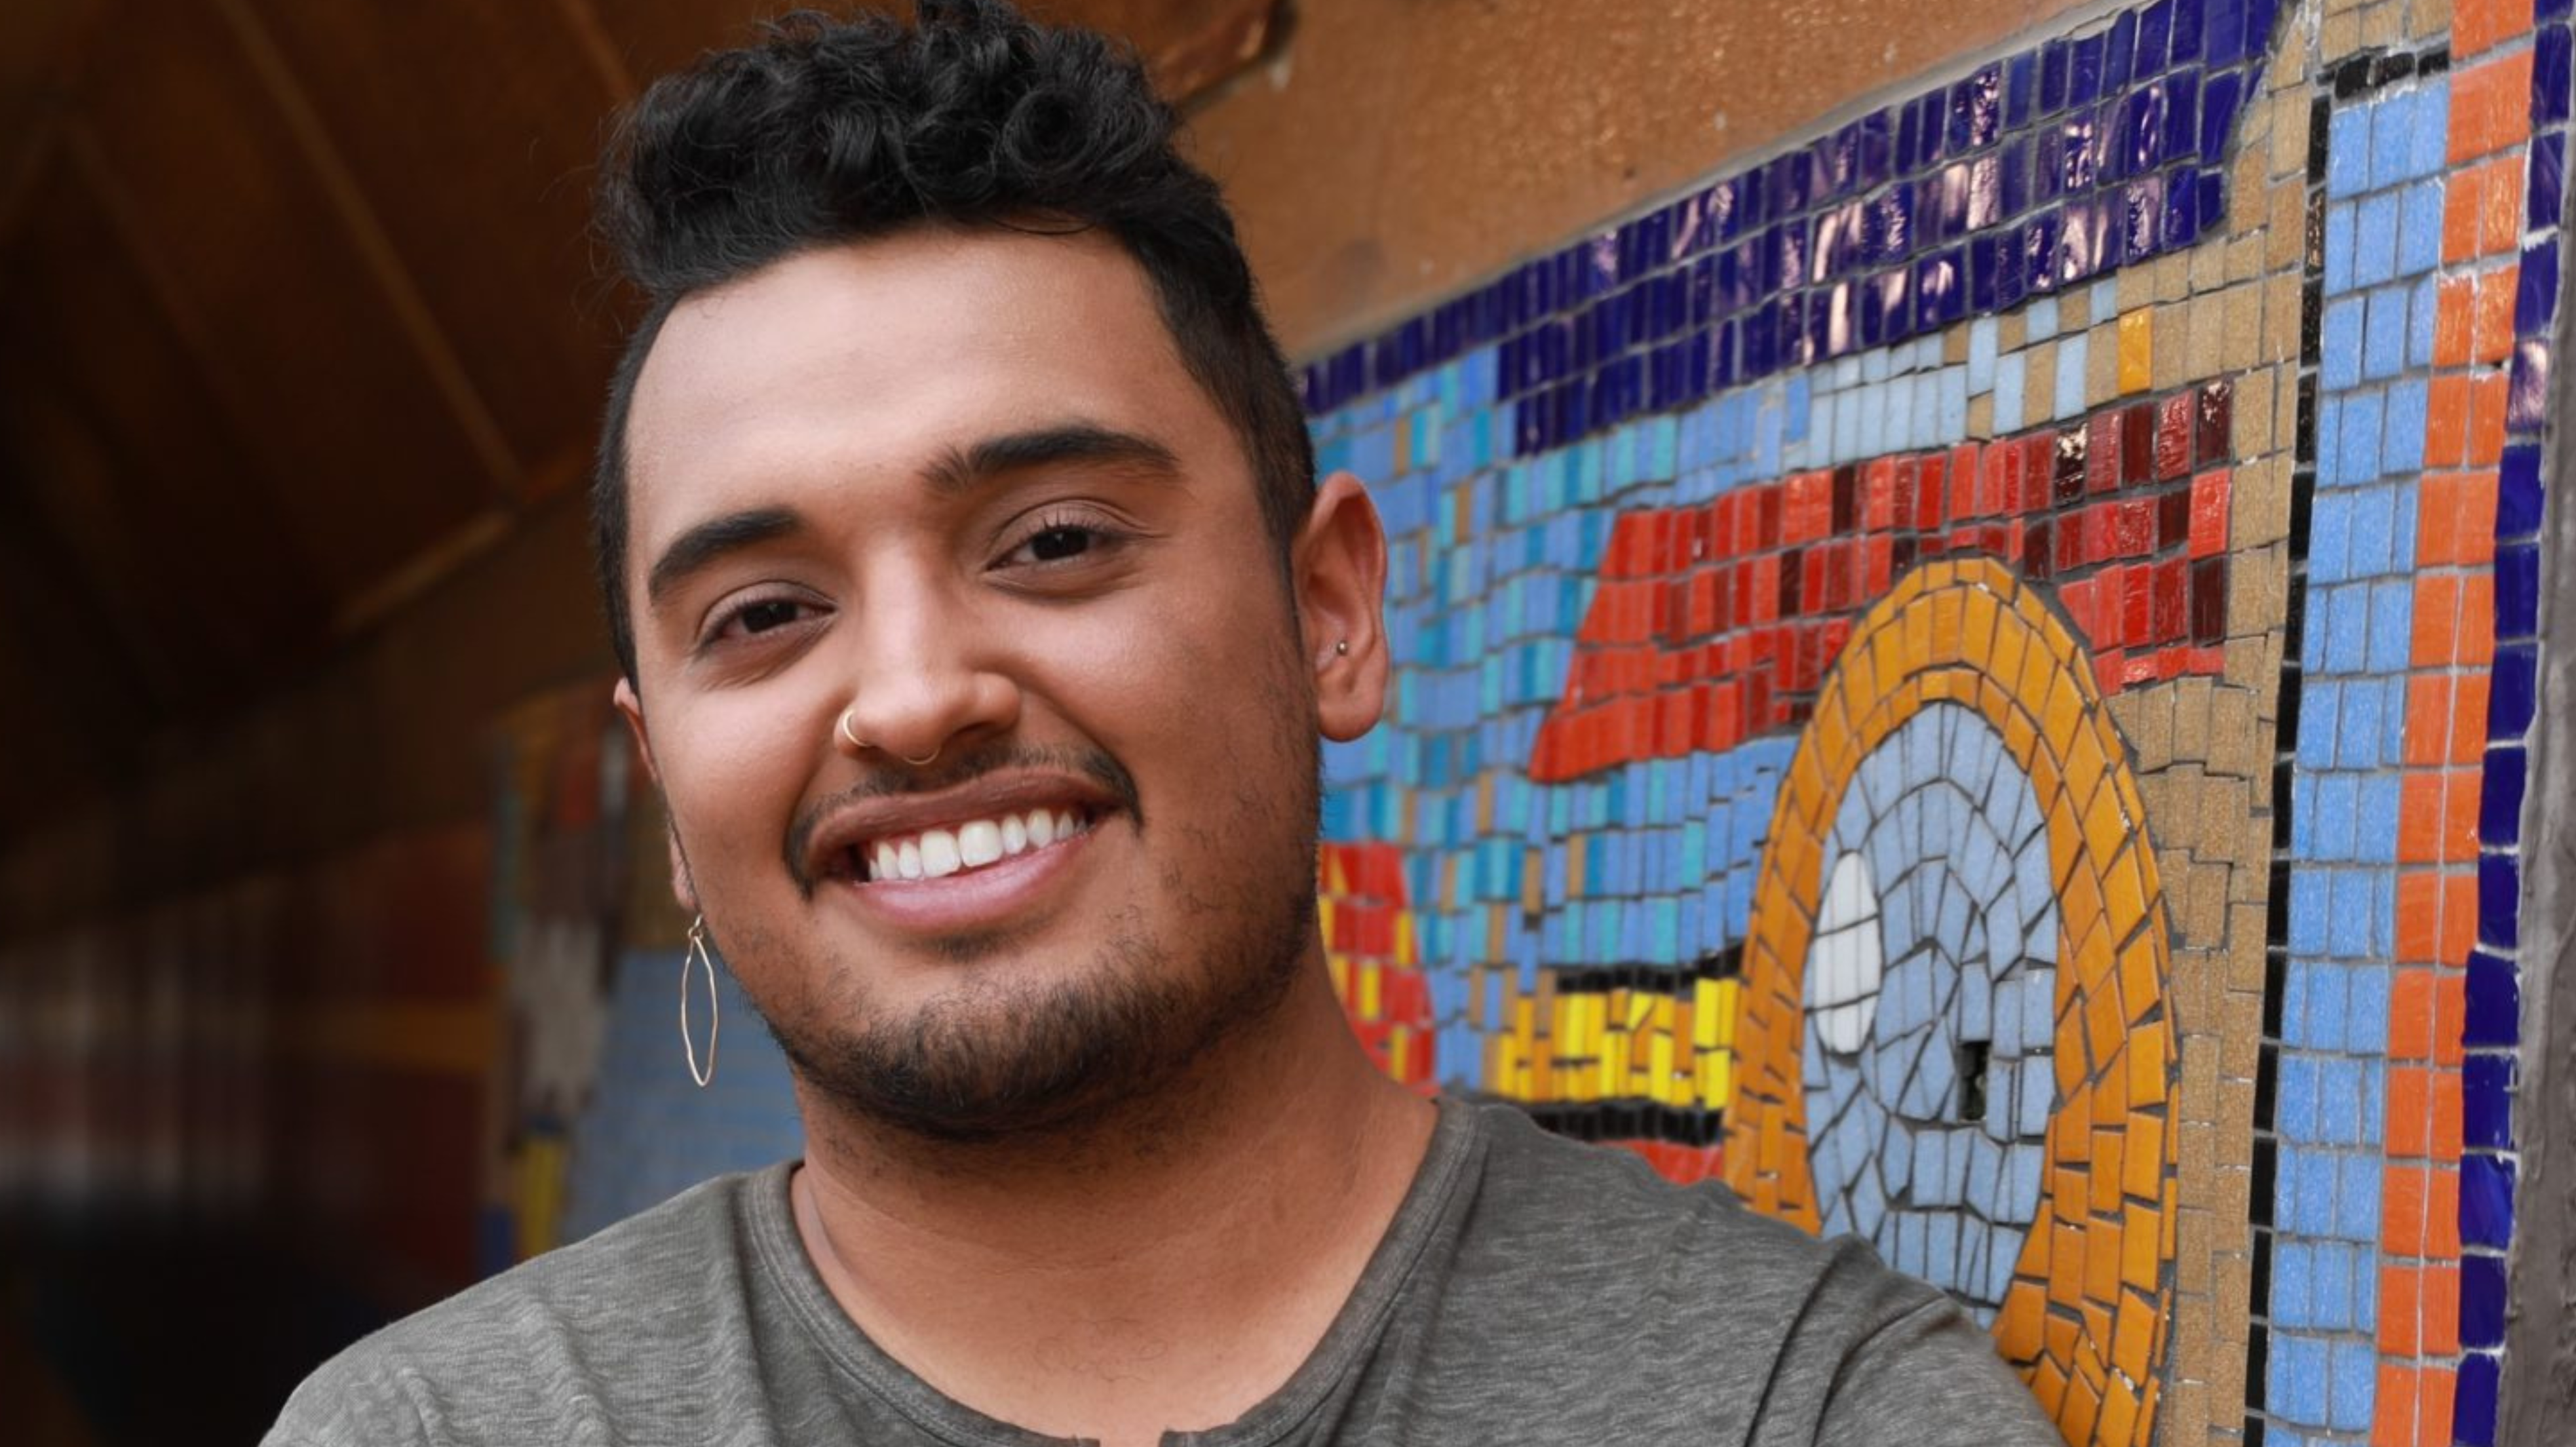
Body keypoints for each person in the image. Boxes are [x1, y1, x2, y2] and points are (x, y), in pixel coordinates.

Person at [266, 3, 2060, 1443]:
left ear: (1330, 614)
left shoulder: (1804, 1412)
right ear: (664, 782)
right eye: (763, 616)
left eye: (1051, 543)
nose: (912, 697)